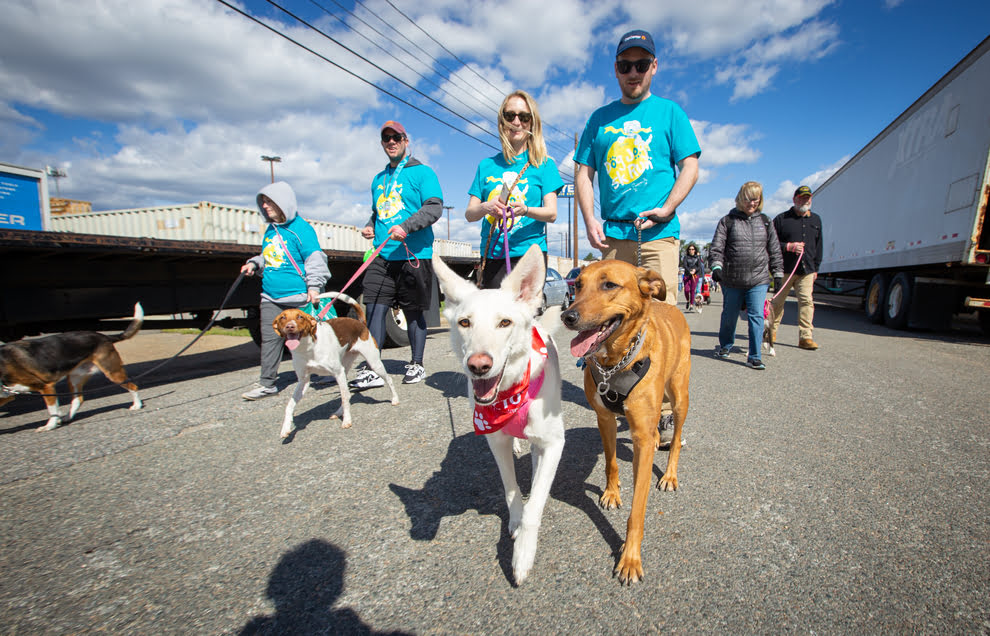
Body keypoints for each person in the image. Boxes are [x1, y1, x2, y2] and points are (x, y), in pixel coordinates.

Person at [574, 28, 701, 433]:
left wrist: (667, 207)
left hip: (659, 233)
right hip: (613, 233)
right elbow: (583, 171)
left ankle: (660, 410)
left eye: (641, 64)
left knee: (661, 319)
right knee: (603, 316)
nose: (634, 72)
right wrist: (590, 218)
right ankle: (614, 391)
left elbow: (690, 166)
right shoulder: (599, 119)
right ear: (616, 69)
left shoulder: (670, 113)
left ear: (654, 67)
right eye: (626, 65)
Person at [349, 121, 443, 390]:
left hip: (414, 253)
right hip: (382, 255)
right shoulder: (379, 179)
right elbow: (380, 211)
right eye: (386, 138)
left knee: (413, 313)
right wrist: (371, 224)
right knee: (374, 310)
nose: (391, 142)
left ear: (406, 140)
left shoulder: (423, 173)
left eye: (396, 137)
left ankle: (416, 364)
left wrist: (407, 227)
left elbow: (434, 208)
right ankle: (373, 368)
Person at [465, 90, 563, 289]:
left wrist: (525, 210)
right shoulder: (486, 165)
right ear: (502, 121)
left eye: (524, 116)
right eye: (510, 116)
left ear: (532, 122)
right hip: (492, 255)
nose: (517, 122)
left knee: (525, 316)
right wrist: (486, 207)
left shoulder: (544, 165)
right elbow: (470, 214)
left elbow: (551, 214)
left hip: (528, 254)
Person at [241, 181, 330, 400]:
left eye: (269, 201)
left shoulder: (301, 229)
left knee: (312, 336)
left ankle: (326, 372)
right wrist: (254, 263)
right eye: (263, 202)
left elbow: (314, 258)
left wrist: (314, 286)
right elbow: (271, 256)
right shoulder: (271, 231)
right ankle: (267, 383)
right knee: (271, 338)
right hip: (270, 295)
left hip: (299, 296)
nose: (265, 206)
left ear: (283, 203)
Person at [708, 181, 784, 370]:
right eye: (749, 199)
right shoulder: (728, 221)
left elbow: (774, 249)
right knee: (729, 316)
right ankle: (725, 345)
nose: (752, 203)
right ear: (741, 199)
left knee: (757, 316)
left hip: (758, 279)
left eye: (756, 199)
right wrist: (716, 267)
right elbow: (717, 247)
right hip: (732, 279)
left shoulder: (766, 221)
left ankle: (755, 355)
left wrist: (778, 272)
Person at [767, 185, 823, 354]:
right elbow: (770, 243)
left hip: (806, 270)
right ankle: (771, 332)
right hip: (785, 269)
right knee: (777, 303)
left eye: (808, 198)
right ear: (794, 199)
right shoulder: (782, 219)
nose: (805, 201)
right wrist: (788, 246)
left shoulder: (816, 220)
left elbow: (819, 246)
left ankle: (805, 337)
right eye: (801, 198)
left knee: (807, 301)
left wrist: (816, 268)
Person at [680, 243, 705, 311]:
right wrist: (689, 271)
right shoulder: (685, 257)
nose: (691, 250)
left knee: (692, 290)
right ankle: (688, 300)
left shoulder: (697, 257)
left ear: (695, 250)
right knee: (686, 290)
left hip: (695, 275)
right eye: (690, 249)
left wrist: (694, 270)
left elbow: (699, 266)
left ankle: (691, 304)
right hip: (687, 275)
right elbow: (685, 265)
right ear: (688, 250)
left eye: (692, 249)